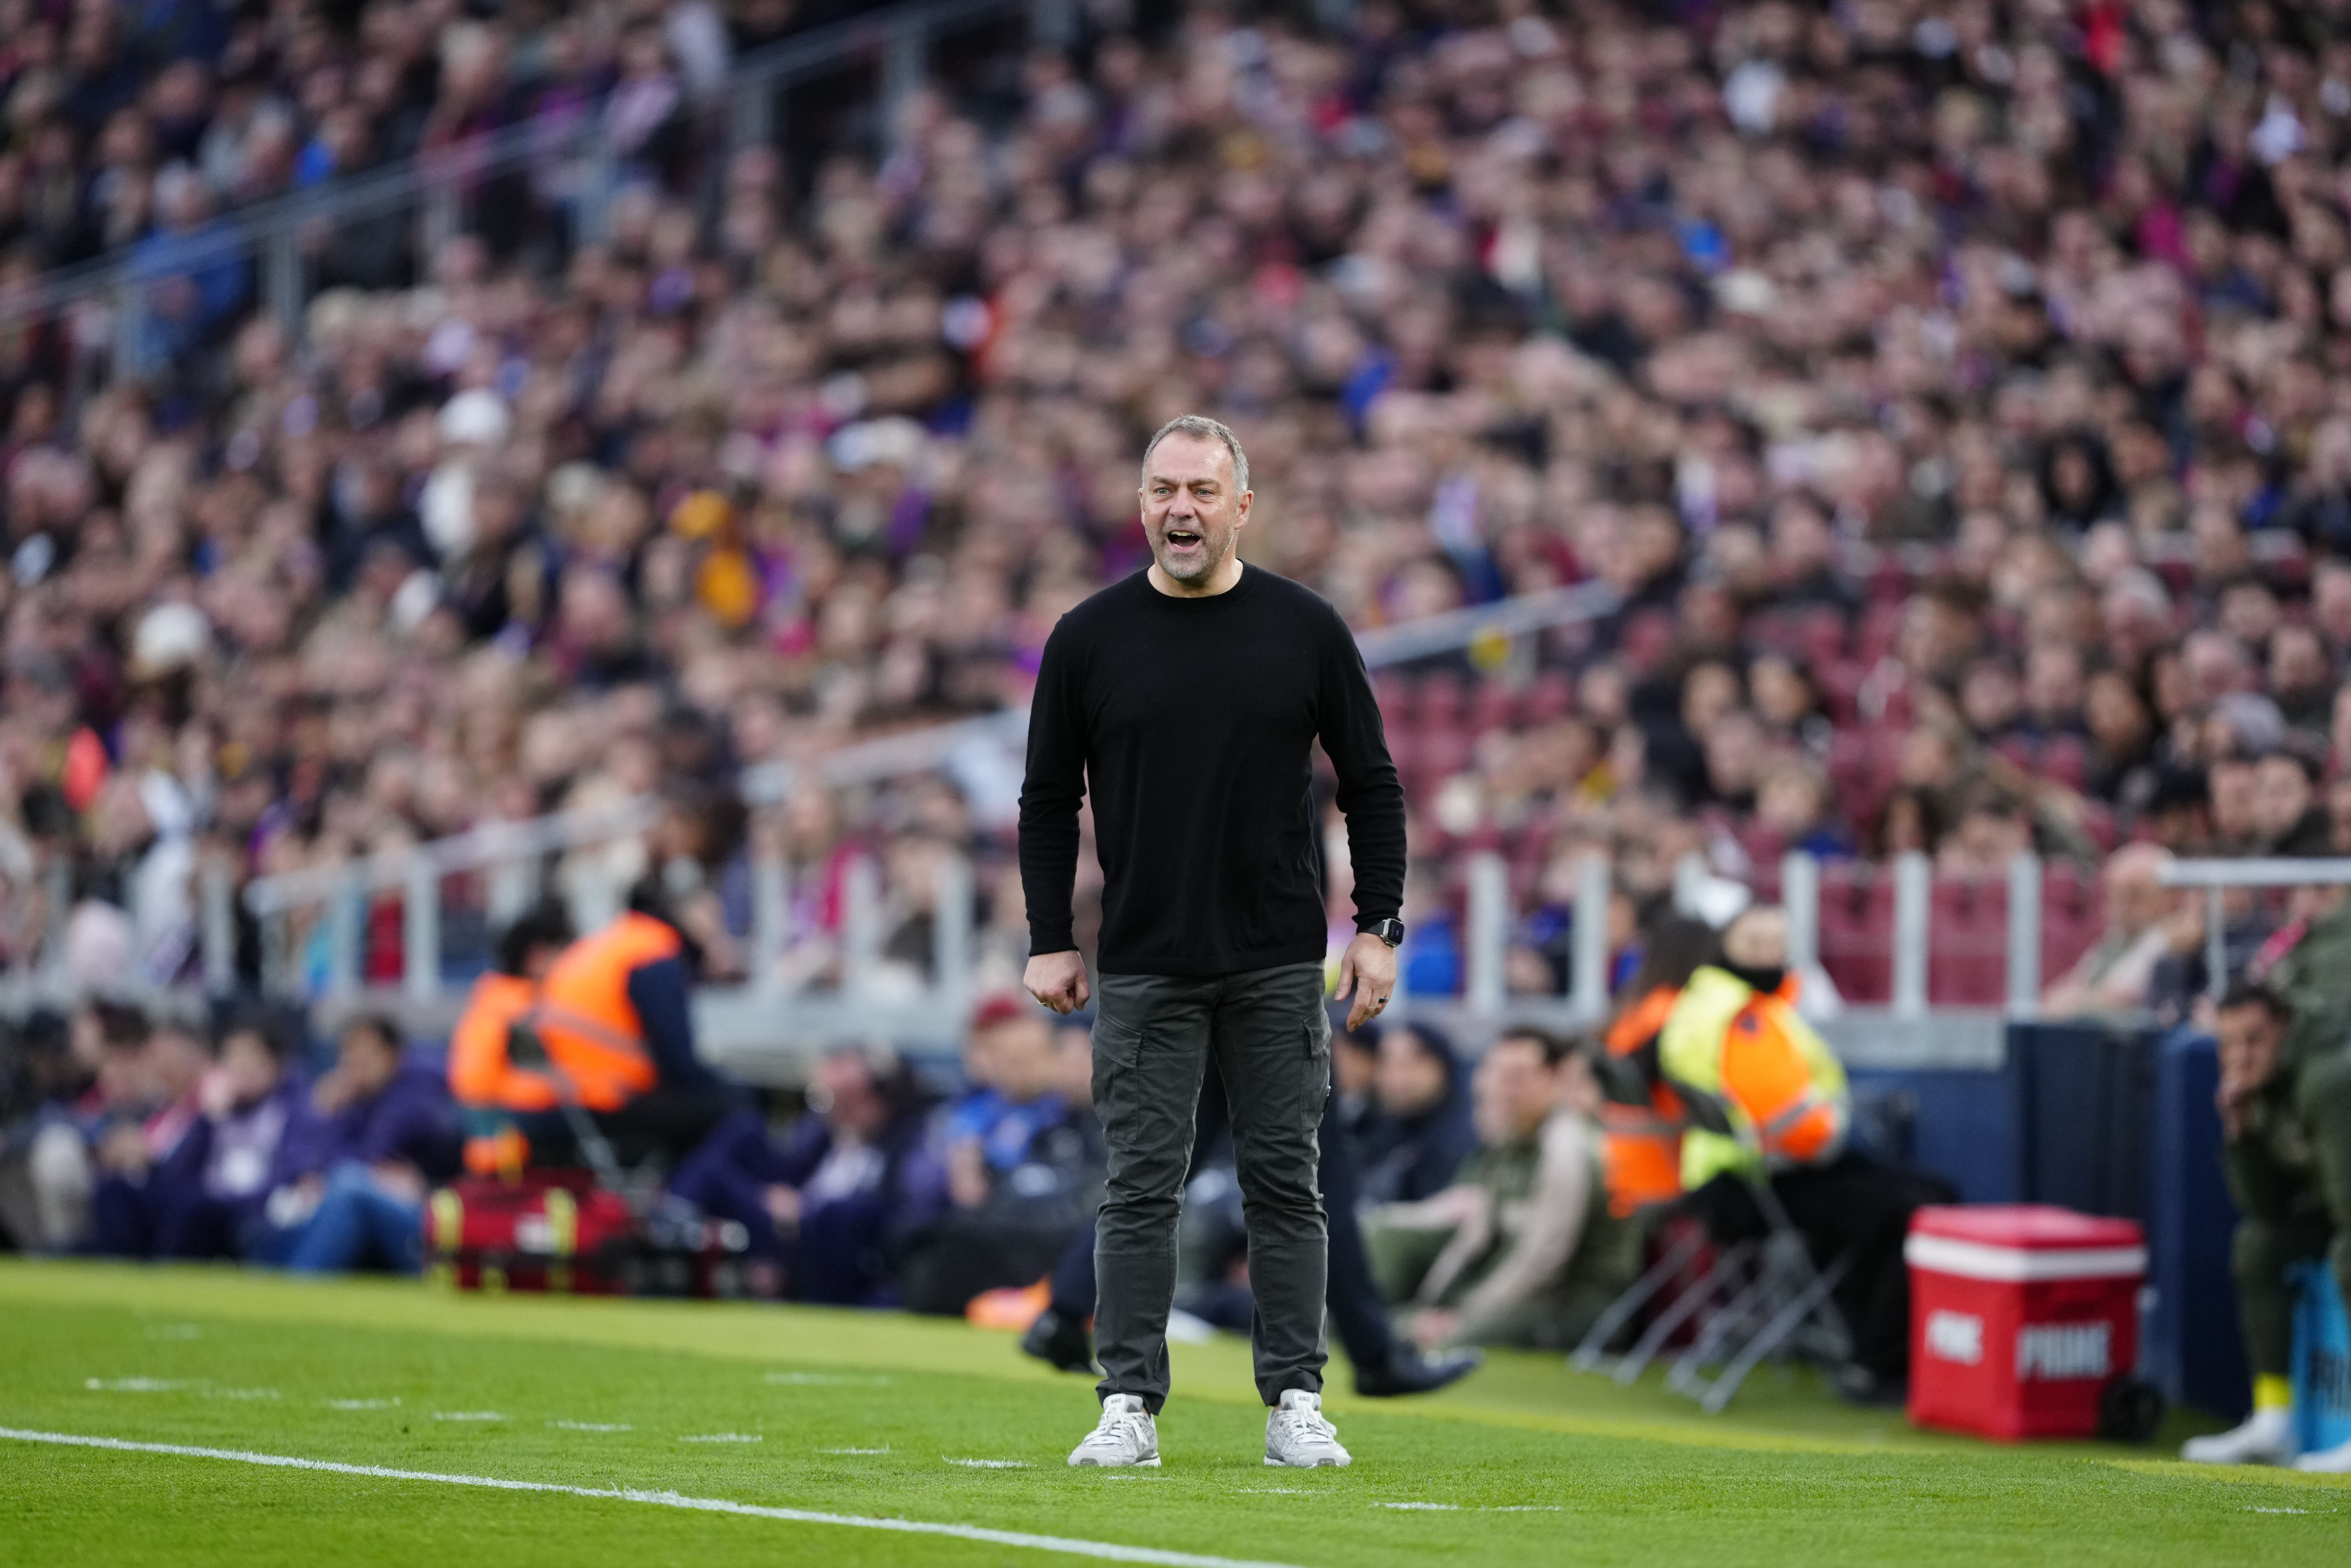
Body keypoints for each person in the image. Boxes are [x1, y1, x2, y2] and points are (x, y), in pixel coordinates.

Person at [1021, 414, 1407, 1469]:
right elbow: (1048, 801)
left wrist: (1376, 930)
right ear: (1138, 504)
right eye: (1162, 490)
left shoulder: (1305, 626)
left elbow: (1372, 786)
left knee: (1286, 1187)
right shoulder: (1088, 636)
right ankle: (1128, 1406)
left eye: (1200, 489)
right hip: (1144, 961)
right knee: (1137, 1191)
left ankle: (1293, 1399)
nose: (1179, 509)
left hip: (1278, 960)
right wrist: (1050, 938)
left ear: (1242, 506)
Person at [1660, 905, 1956, 1402]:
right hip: (1757, 1181)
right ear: (1724, 945)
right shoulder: (1745, 1016)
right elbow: (1790, 1126)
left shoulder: (1707, 1004)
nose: (1768, 953)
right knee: (1915, 1209)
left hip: (1733, 1178)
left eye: (1778, 942)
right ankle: (1876, 1364)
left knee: (1909, 1198)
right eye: (1753, 941)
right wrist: (1837, 1127)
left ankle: (1861, 1346)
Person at [1366, 1029, 1639, 1350]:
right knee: (1398, 1313)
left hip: (1571, 1300)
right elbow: (1473, 1234)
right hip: (1514, 1291)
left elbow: (1541, 1260)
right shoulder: (1512, 1142)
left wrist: (1466, 1311)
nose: (1502, 1088)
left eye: (1517, 1077)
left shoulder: (1568, 1147)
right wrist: (1435, 1302)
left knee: (1448, 1338)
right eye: (1496, 1073)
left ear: (1554, 1078)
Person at [2181, 984, 2351, 1472]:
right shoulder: (2262, 1086)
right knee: (2257, 1246)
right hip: (2331, 1207)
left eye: (2253, 1040)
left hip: (2344, 1210)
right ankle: (2274, 1421)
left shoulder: (2328, 1078)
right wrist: (2241, 1133)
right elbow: (2266, 1208)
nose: (2239, 1056)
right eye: (2228, 1045)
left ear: (2285, 1029)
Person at [666, 1044, 939, 1304]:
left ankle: (671, 1223)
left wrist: (801, 1209)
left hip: (818, 1235)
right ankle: (671, 1218)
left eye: (849, 1097)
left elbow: (877, 1211)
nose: (837, 1108)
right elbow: (792, 1167)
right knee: (743, 1130)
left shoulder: (901, 1149)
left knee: (717, 1178)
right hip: (787, 1214)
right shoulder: (826, 1134)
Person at [897, 998, 1100, 1315]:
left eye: (1022, 1060)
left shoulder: (1062, 1115)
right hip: (1007, 1220)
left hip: (1042, 1228)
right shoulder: (976, 1112)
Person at [253, 1015, 463, 1274]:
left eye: (366, 1053)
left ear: (393, 1055)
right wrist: (323, 1116)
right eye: (349, 1053)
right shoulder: (358, 1102)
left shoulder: (418, 1092)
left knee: (348, 1186)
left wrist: (333, 1117)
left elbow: (373, 1155)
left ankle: (301, 1283)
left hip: (431, 1221)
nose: (355, 1064)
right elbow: (306, 1165)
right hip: (375, 1208)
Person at [2040, 844, 2178, 1019]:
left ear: (2169, 896)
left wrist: (2079, 1003)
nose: (2122, 907)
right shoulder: (2115, 940)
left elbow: (2123, 996)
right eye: (2115, 894)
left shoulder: (2169, 939)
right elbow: (2069, 989)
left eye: (2135, 896)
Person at [1355, 1022, 1476, 1206]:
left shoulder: (1466, 1138)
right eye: (1388, 1065)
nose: (1398, 1080)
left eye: (1411, 1065)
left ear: (1443, 1068)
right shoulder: (1374, 1128)